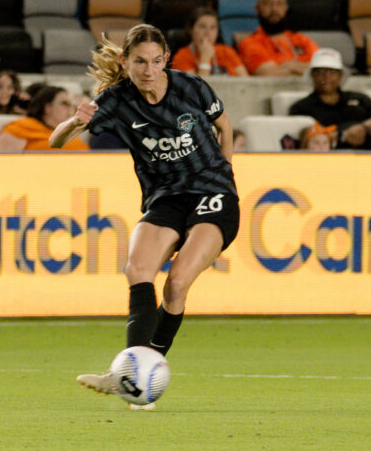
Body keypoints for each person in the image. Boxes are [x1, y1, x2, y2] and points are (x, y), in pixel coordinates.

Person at [48, 24, 239, 410]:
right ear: (125, 62)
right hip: (166, 198)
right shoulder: (115, 101)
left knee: (178, 282)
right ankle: (131, 378)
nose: (148, 70)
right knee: (137, 270)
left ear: (165, 60)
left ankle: (136, 376)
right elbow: (55, 141)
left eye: (155, 61)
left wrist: (226, 175)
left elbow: (225, 126)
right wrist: (75, 121)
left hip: (212, 194)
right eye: (139, 62)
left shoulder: (192, 88)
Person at [289, 48, 371, 149]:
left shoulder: (359, 98)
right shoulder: (301, 107)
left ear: (340, 75)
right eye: (321, 72)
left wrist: (364, 128)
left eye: (332, 72)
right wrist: (336, 135)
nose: (327, 76)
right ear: (312, 75)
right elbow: (303, 140)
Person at [237, 0, 319, 76]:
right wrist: (303, 69)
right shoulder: (249, 42)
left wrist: (288, 67)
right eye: (267, 4)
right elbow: (267, 74)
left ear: (286, 8)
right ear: (257, 9)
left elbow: (321, 69)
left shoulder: (302, 39)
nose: (274, 9)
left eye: (279, 3)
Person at [0, 86, 89, 152]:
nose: (70, 109)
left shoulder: (70, 134)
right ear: (48, 108)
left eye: (71, 104)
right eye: (64, 104)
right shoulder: (23, 127)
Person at [170, 7, 248, 77]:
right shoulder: (181, 57)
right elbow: (195, 91)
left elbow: (245, 83)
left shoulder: (227, 51)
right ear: (190, 30)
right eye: (202, 27)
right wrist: (205, 59)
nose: (207, 33)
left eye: (213, 27)